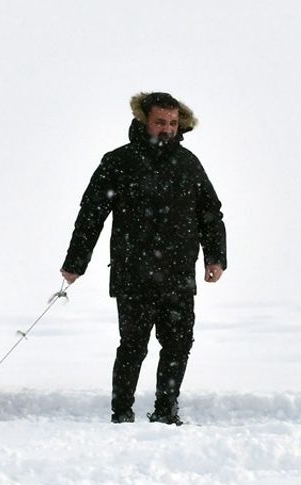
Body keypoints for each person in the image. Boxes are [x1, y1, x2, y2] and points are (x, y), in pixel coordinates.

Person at [60, 91, 227, 425]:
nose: (166, 129)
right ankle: (122, 413)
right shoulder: (118, 162)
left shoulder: (188, 163)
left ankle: (166, 411)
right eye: (160, 122)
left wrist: (215, 257)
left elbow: (211, 213)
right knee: (133, 346)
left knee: (179, 345)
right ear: (143, 120)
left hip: (179, 273)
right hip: (134, 273)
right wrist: (76, 262)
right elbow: (91, 214)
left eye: (172, 123)